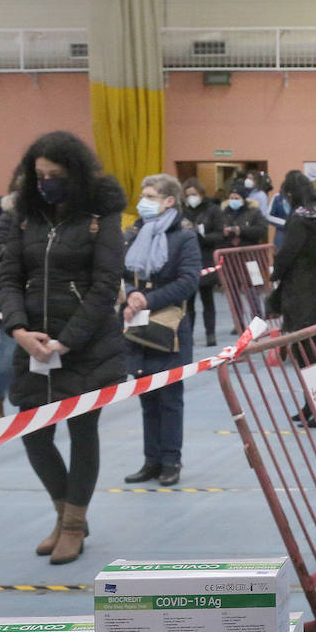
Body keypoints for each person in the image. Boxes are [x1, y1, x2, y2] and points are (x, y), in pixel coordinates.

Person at [0, 131, 127, 565]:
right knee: (34, 436)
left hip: (87, 348)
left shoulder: (101, 215)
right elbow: (10, 278)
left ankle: (73, 525)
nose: (45, 183)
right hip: (32, 345)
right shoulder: (25, 216)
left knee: (82, 433)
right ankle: (63, 512)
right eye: (38, 175)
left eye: (54, 175)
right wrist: (18, 330)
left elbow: (106, 284)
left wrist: (67, 340)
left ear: (75, 174)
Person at [121, 174, 201, 488]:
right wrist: (131, 294)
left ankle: (171, 460)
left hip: (170, 326)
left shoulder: (184, 236)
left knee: (169, 398)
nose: (144, 202)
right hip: (137, 323)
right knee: (146, 397)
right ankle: (150, 460)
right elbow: (120, 272)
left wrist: (147, 299)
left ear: (169, 201)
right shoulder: (133, 232)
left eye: (151, 196)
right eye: (143, 195)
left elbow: (188, 281)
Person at [270, 170, 316, 425]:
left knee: (307, 355)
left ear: (289, 194)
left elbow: (287, 253)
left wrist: (274, 273)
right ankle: (315, 406)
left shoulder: (299, 221)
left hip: (301, 295)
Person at [0, 172, 23, 419]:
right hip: (13, 295)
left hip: (45, 295)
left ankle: (29, 406)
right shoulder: (7, 217)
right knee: (7, 356)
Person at [180, 177, 225, 347]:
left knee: (208, 300)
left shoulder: (212, 210)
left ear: (201, 193)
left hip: (206, 257)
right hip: (187, 260)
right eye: (188, 194)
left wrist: (201, 235)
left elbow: (220, 234)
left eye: (194, 194)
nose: (191, 197)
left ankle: (210, 334)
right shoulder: (181, 210)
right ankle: (188, 335)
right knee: (188, 302)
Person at [219, 181, 268, 249]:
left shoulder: (254, 212)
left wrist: (241, 230)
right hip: (228, 250)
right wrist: (223, 232)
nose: (233, 201)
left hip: (248, 249)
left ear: (243, 199)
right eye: (231, 198)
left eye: (236, 198)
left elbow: (263, 230)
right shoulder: (224, 213)